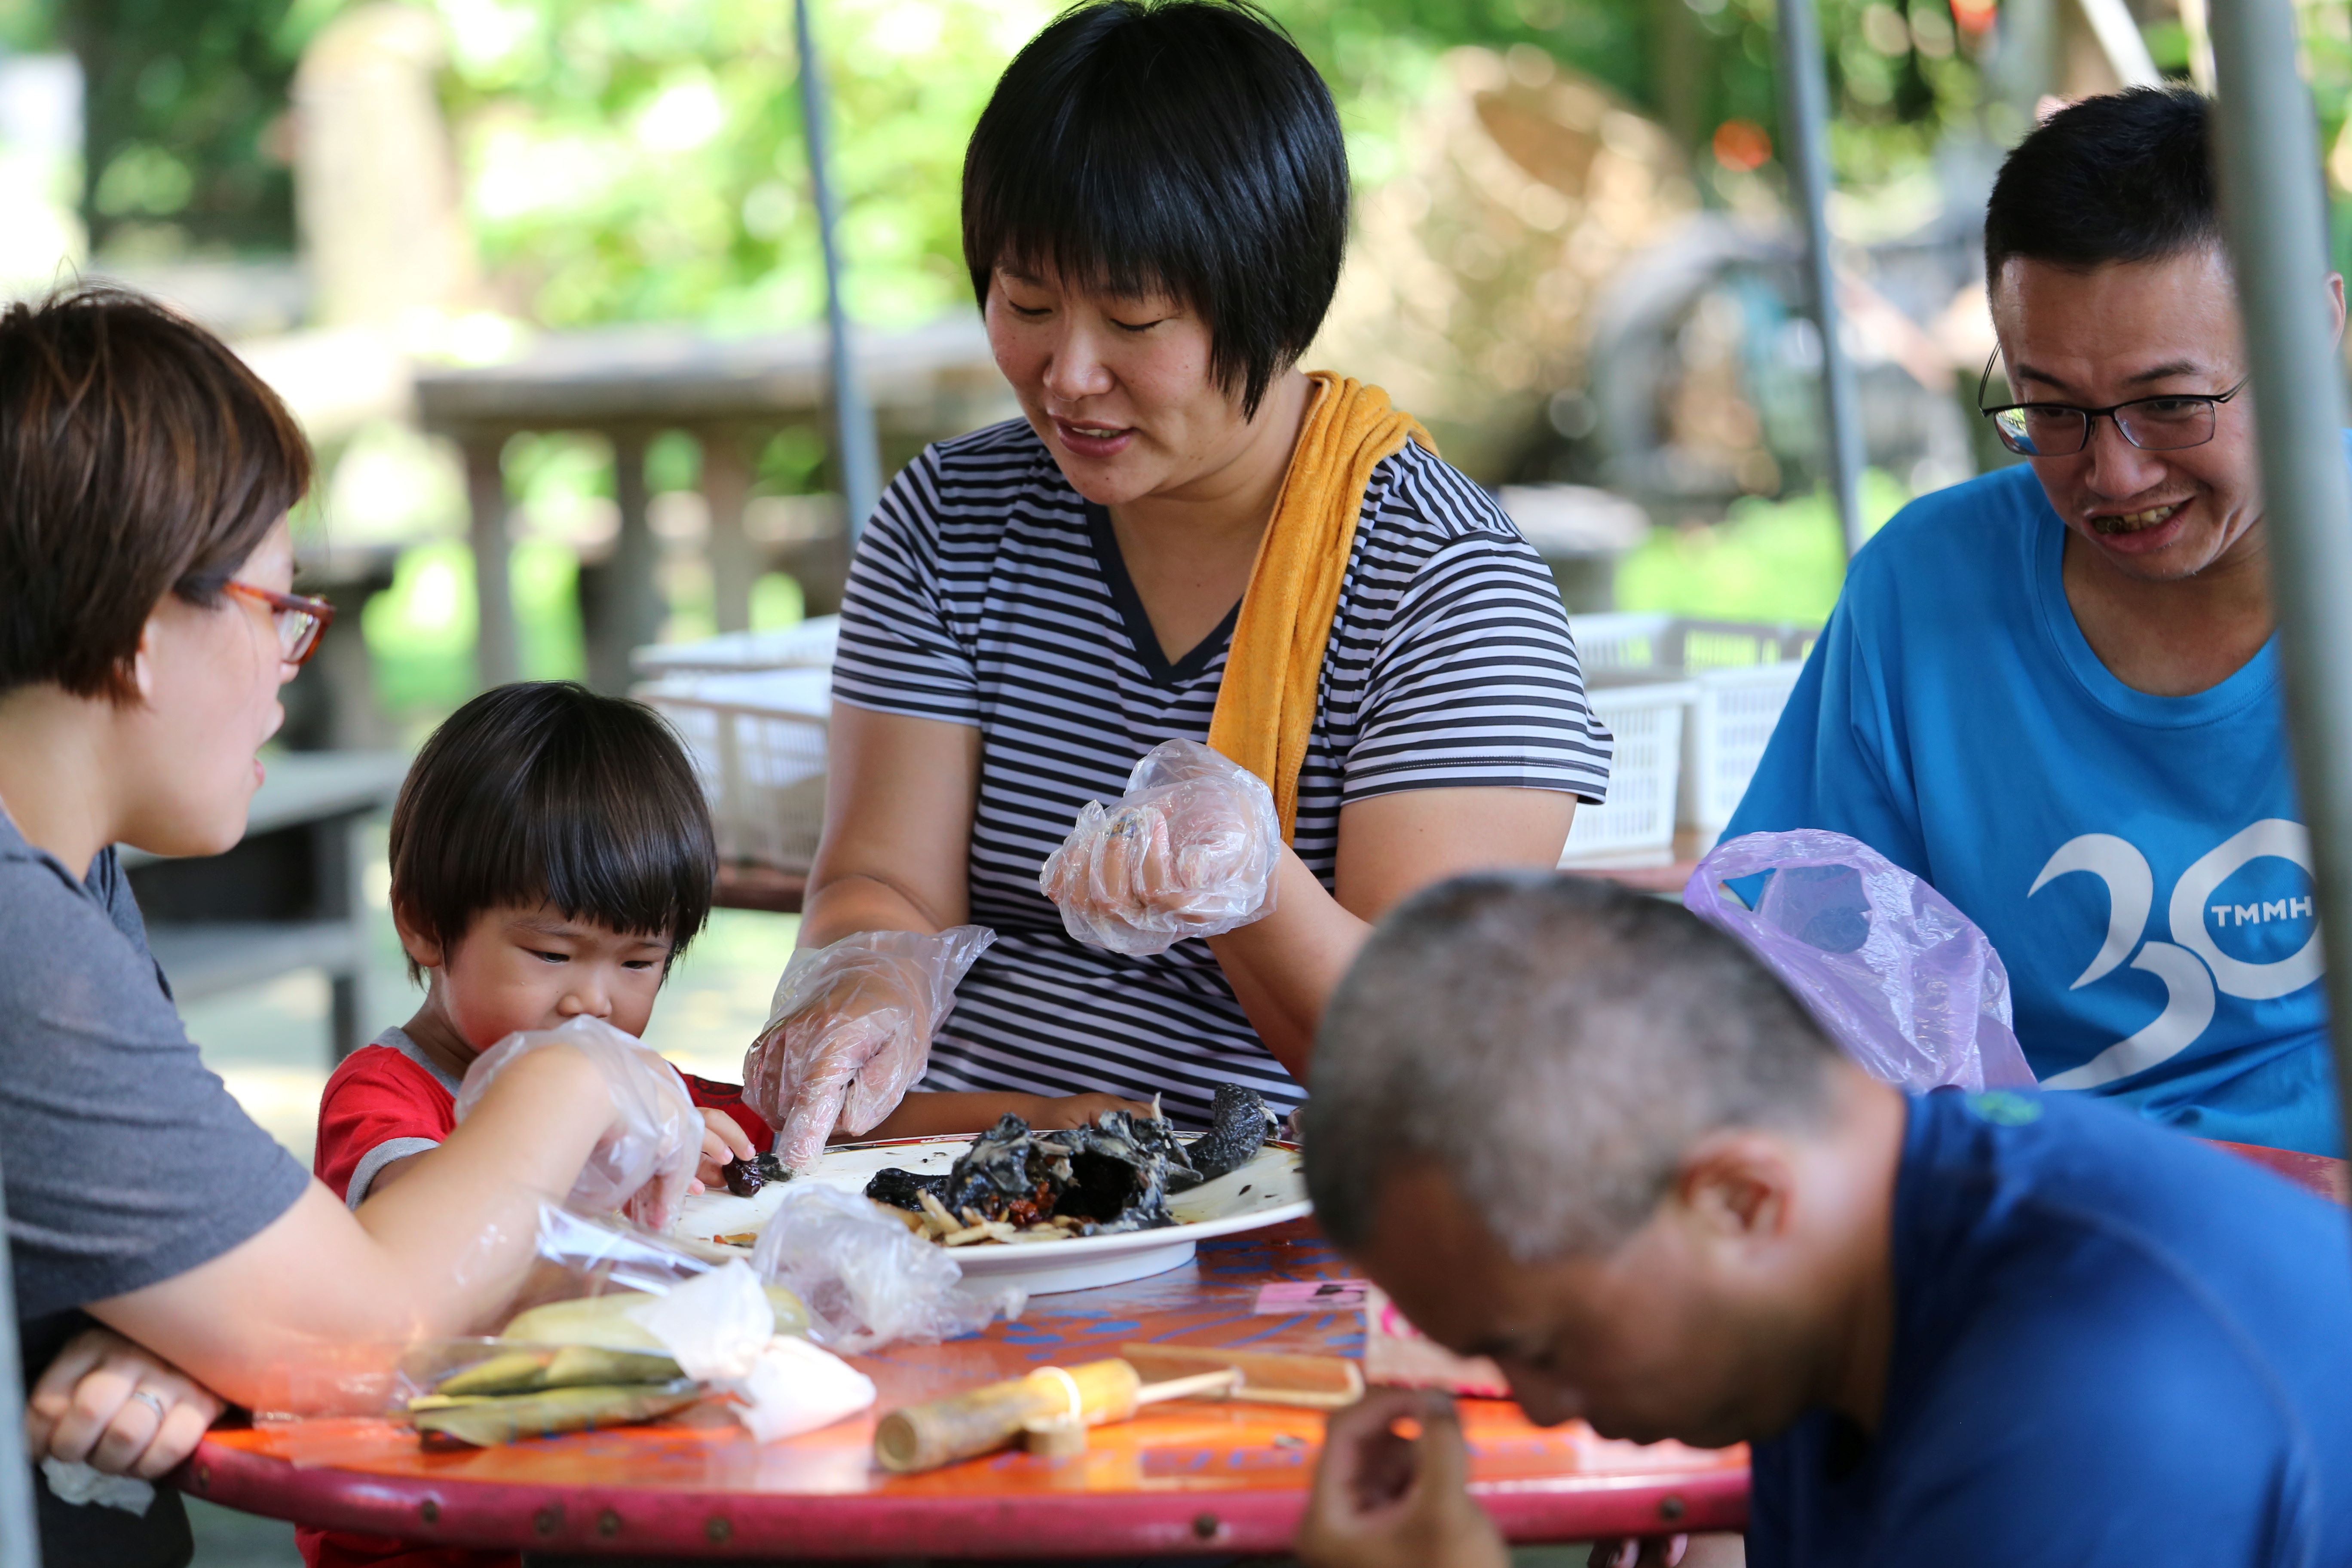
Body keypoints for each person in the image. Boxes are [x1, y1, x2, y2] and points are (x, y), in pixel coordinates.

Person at [746, 0, 1611, 1164]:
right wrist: (867, 984)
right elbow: (881, 880)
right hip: (951, 1164)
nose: (1069, 375)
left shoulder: (1444, 588)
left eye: (1135, 319)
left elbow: (1428, 1061)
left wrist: (1251, 884)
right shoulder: (950, 521)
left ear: (1272, 296)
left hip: (1264, 1197)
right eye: (1029, 303)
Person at [1, 285, 700, 1568]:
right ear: (147, 631)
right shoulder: (17, 937)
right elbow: (361, 1335)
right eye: (279, 608)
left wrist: (207, 1328)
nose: (290, 662)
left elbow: (286, 1304)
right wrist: (574, 1070)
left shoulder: (69, 872)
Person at [1293, 873, 2352, 1568]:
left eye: (1536, 1347)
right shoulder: (1851, 1271)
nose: (1526, 1405)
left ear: (1737, 1199)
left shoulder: (2085, 1395)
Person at [1724, 87, 2341, 1155]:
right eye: (2049, 409)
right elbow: (1789, 989)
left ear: (2313, 331)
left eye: (2169, 404)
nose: (2111, 473)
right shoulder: (1920, 592)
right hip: (2025, 1209)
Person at [313, 681, 767, 1214]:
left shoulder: (651, 1094)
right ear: (426, 925)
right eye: (554, 954)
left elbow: (836, 1132)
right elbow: (417, 1221)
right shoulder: (384, 1095)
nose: (594, 1002)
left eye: (638, 962)